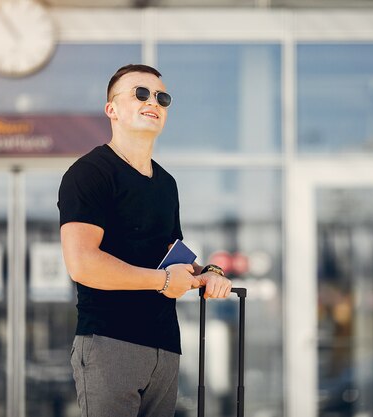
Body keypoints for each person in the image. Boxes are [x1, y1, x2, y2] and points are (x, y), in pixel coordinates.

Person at [57, 64, 232, 417]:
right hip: (110, 343)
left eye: (161, 97)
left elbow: (173, 257)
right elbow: (82, 264)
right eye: (140, 93)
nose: (153, 101)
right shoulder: (89, 173)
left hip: (165, 348)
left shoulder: (166, 184)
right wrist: (164, 281)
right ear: (112, 109)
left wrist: (209, 271)